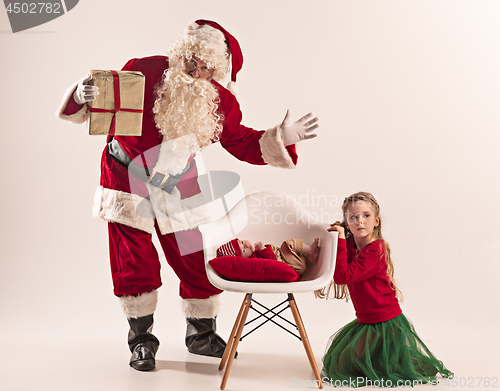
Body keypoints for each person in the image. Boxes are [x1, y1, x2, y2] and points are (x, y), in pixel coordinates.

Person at [56, 19, 319, 371]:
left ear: (216, 70)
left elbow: (240, 141)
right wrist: (78, 95)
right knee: (132, 261)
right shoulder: (141, 70)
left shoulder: (220, 102)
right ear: (181, 53)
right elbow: (101, 107)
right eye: (191, 61)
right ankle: (142, 341)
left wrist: (282, 136)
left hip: (177, 182)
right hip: (124, 175)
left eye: (205, 66)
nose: (195, 71)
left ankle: (201, 335)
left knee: (196, 258)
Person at [315, 192, 453, 387]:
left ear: (376, 221)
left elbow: (342, 277)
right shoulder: (352, 245)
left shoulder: (375, 250)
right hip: (366, 319)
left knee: (366, 367)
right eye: (353, 217)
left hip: (383, 320)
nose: (360, 221)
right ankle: (384, 359)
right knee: (341, 364)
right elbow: (337, 263)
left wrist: (340, 239)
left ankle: (399, 361)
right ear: (347, 222)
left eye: (366, 215)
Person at [216, 237, 320, 275]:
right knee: (287, 244)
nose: (246, 245)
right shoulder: (253, 260)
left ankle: (310, 258)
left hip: (294, 261)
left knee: (298, 251)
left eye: (242, 242)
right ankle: (310, 250)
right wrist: (263, 249)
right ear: (243, 259)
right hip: (286, 261)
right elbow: (271, 260)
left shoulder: (254, 252)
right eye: (243, 250)